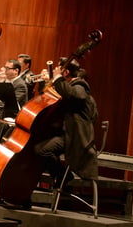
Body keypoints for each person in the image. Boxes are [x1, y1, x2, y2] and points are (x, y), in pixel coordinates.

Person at [34, 57, 98, 189]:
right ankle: (61, 178)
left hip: (75, 137)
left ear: (66, 72)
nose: (56, 71)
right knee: (39, 148)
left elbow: (75, 95)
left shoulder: (80, 86)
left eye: (59, 69)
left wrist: (57, 78)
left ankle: (63, 176)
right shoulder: (69, 87)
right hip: (65, 134)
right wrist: (48, 83)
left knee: (42, 150)